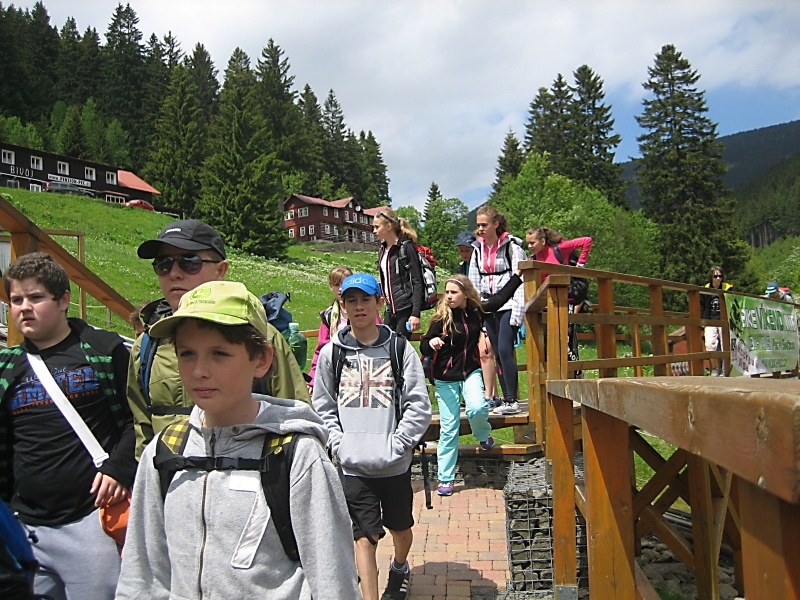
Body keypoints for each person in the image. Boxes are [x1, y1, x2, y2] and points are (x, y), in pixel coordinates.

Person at [115, 281, 361, 599]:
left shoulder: (296, 455)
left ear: (261, 360)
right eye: (187, 354)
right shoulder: (164, 452)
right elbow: (142, 577)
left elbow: (333, 579)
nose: (199, 371)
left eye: (219, 354)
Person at [0, 253, 135, 600]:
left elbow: (139, 419)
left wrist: (119, 468)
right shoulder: (6, 366)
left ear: (63, 300)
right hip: (25, 526)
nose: (24, 308)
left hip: (91, 521)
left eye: (36, 297)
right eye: (16, 300)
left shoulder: (104, 350)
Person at [127, 219, 310, 459]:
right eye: (163, 264)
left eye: (189, 262)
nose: (174, 273)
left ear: (221, 270)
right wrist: (150, 473)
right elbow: (142, 428)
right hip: (172, 475)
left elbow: (294, 416)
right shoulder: (147, 344)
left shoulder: (259, 335)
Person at [312, 273, 431, 600]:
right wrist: (339, 444)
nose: (359, 306)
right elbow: (322, 405)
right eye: (351, 300)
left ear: (379, 302)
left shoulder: (399, 349)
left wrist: (400, 443)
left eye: (365, 299)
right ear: (343, 305)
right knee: (363, 538)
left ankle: (400, 566)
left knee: (400, 529)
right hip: (353, 466)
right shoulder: (332, 354)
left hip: (394, 464)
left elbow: (419, 403)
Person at [420, 273, 522, 496]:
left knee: (477, 407)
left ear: (465, 294)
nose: (448, 296)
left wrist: (517, 277)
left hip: (470, 372)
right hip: (445, 378)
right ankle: (445, 478)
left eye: (453, 292)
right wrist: (432, 342)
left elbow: (500, 299)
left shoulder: (476, 311)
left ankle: (483, 435)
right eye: (447, 292)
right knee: (449, 428)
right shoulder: (440, 319)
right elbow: (424, 346)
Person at [468, 206, 526, 415]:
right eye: (478, 225)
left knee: (504, 349)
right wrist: (478, 309)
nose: (480, 229)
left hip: (509, 305)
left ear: (496, 224)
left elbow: (521, 279)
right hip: (488, 307)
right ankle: (506, 399)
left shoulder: (512, 248)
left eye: (484, 225)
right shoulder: (478, 249)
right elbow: (474, 281)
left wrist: (518, 311)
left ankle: (512, 399)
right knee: (496, 354)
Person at [526, 227, 593, 377]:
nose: (530, 246)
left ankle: (576, 375)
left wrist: (580, 265)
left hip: (565, 301)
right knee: (547, 342)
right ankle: (552, 377)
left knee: (566, 340)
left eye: (532, 243)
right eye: (528, 243)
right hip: (544, 305)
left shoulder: (560, 249)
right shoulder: (533, 259)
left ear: (543, 241)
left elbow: (586, 241)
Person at [308, 265, 381, 388]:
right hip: (336, 369)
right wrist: (312, 380)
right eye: (336, 284)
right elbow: (320, 350)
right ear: (330, 286)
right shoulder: (328, 316)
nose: (340, 288)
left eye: (344, 283)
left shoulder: (368, 313)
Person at [456, 230, 502, 408]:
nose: (464, 254)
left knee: (486, 351)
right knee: (475, 354)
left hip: (485, 312)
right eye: (461, 250)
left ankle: (490, 395)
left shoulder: (484, 266)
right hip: (470, 314)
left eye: (467, 250)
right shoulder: (462, 268)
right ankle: (484, 393)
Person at [373, 208, 424, 340]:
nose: (374, 231)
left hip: (405, 308)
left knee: (400, 347)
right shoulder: (382, 250)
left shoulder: (406, 247)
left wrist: (415, 314)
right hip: (390, 309)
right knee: (385, 345)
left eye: (377, 227)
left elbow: (417, 281)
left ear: (389, 226)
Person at [700, 266, 732, 377]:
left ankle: (724, 369)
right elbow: (701, 307)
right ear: (711, 277)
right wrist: (702, 321)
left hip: (724, 320)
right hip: (710, 320)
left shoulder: (728, 289)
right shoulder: (705, 290)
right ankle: (715, 368)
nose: (718, 278)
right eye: (716, 276)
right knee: (710, 344)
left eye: (720, 276)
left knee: (725, 345)